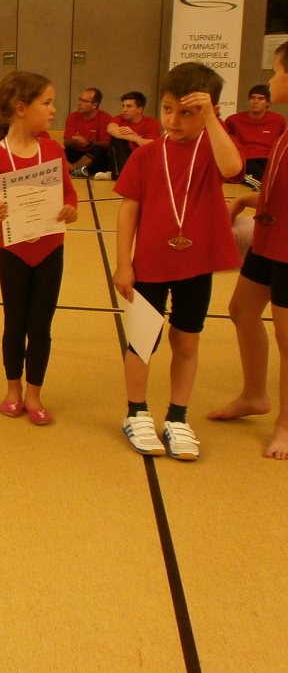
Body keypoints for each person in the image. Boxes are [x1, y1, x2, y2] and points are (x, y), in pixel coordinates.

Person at [114, 63, 242, 461]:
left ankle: (178, 416)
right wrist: (123, 263)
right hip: (150, 264)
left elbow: (233, 168)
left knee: (187, 341)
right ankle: (136, 412)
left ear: (208, 112)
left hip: (196, 265)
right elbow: (128, 211)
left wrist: (211, 119)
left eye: (187, 112)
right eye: (168, 109)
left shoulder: (213, 150)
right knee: (142, 341)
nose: (174, 120)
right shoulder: (147, 155)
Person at [0, 72, 78, 424]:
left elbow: (69, 193)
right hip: (14, 254)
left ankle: (34, 393)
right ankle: (13, 389)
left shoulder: (53, 150)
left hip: (50, 251)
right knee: (15, 323)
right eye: (46, 103)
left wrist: (70, 210)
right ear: (21, 108)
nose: (53, 110)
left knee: (41, 325)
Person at [211, 40, 288, 459]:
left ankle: (285, 425)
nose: (271, 80)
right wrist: (244, 200)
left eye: (276, 72)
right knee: (242, 310)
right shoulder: (286, 131)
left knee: (286, 336)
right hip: (268, 239)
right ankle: (254, 395)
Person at [225, 83, 286, 188]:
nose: (255, 102)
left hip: (268, 159)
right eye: (253, 98)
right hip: (246, 159)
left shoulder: (279, 120)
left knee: (274, 175)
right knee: (259, 175)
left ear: (268, 102)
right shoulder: (233, 120)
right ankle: (258, 185)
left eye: (261, 99)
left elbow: (283, 143)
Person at [107, 91, 160, 178]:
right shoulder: (119, 118)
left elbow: (151, 146)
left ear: (139, 109)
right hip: (123, 157)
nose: (124, 110)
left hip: (142, 159)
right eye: (123, 106)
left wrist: (135, 136)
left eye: (129, 106)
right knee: (116, 139)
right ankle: (120, 173)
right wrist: (132, 137)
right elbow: (111, 129)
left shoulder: (152, 122)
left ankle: (117, 174)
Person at [64, 88, 112, 178]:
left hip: (94, 156)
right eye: (80, 99)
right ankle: (76, 170)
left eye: (84, 101)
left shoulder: (105, 118)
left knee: (99, 151)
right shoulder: (72, 117)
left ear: (94, 105)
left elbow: (107, 144)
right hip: (76, 152)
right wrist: (73, 141)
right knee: (58, 152)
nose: (79, 103)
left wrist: (89, 143)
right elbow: (66, 143)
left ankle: (72, 169)